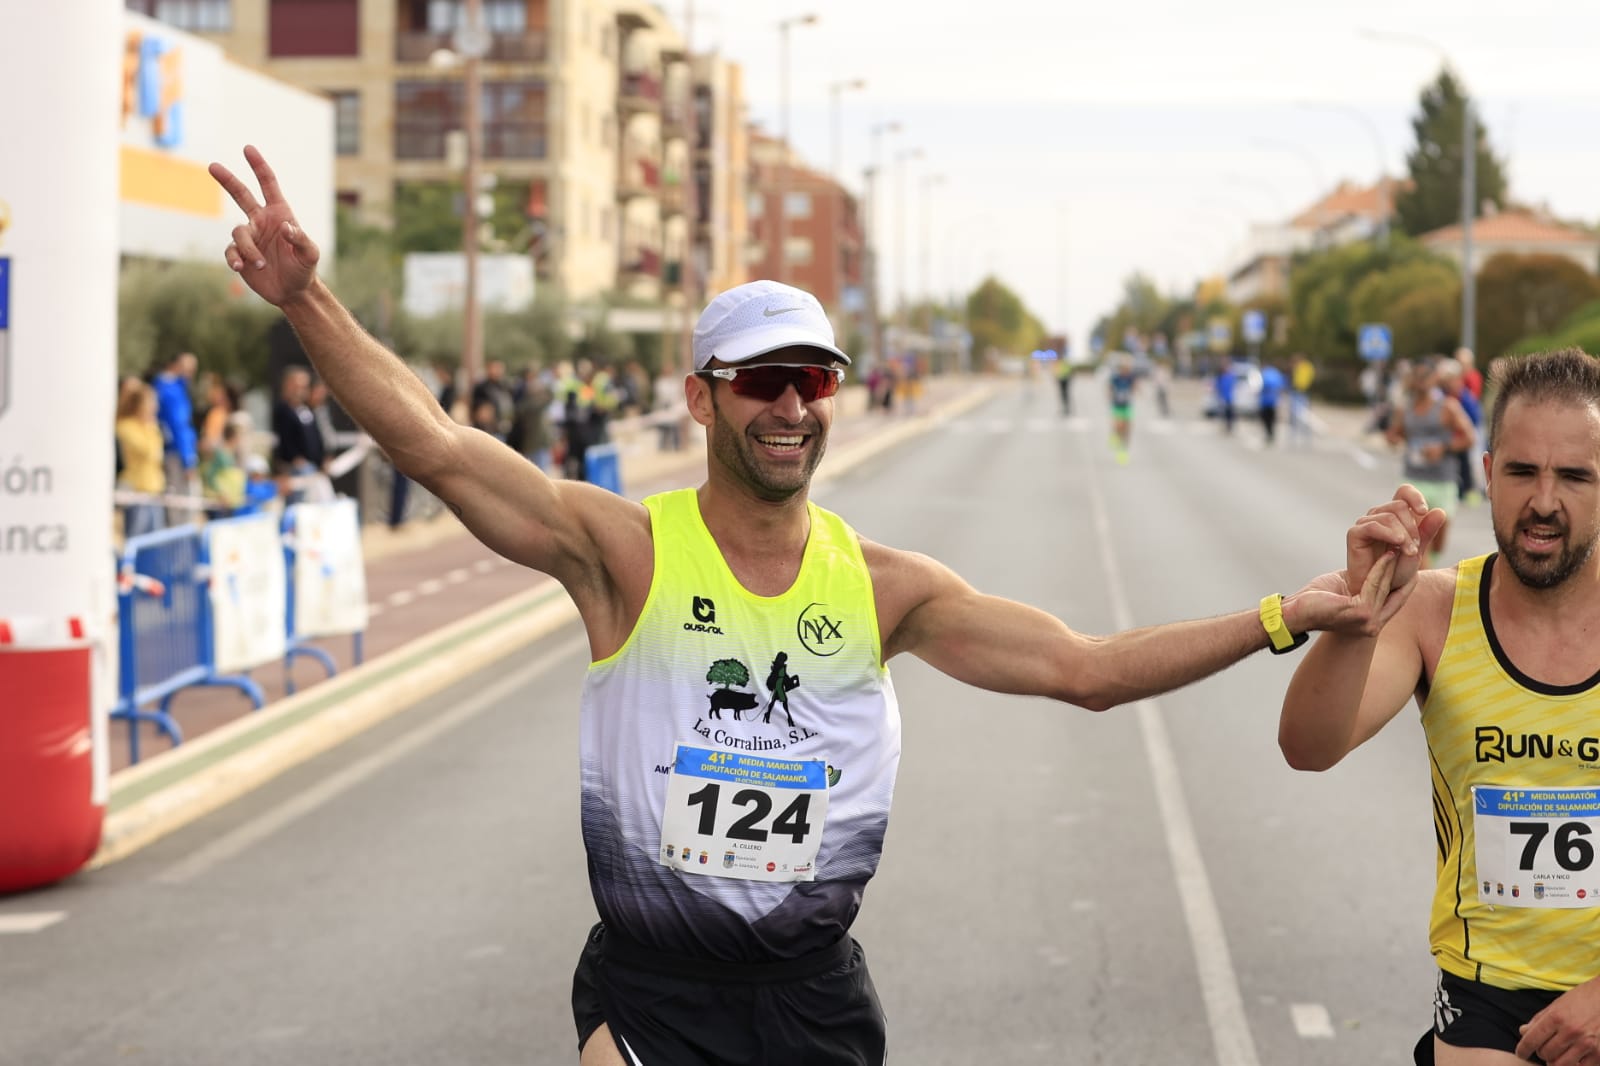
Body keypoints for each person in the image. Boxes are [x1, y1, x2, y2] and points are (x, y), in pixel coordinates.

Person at [210, 145, 1425, 1066]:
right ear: (701, 399)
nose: (794, 406)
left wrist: (1283, 613)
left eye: (816, 380)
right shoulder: (622, 553)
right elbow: (436, 445)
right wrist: (306, 302)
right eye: (763, 382)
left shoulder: (886, 587)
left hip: (812, 998)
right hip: (650, 994)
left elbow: (1087, 666)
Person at [1279, 347, 1600, 1066]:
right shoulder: (1433, 611)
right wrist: (1362, 616)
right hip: (1488, 994)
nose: (1543, 502)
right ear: (1487, 474)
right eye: (1522, 472)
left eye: (1574, 476)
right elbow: (1308, 745)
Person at [1386, 358, 1476, 566]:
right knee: (1417, 540)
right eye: (1417, 376)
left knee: (1438, 545)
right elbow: (1395, 434)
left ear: (1436, 378)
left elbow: (1469, 438)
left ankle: (1426, 571)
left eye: (1425, 375)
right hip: (1414, 480)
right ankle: (1422, 586)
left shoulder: (1447, 407)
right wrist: (1393, 438)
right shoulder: (1404, 409)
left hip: (1443, 481)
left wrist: (1443, 448)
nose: (1421, 381)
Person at [115, 379, 166, 539]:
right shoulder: (125, 426)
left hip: (153, 490)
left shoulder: (148, 426)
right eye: (150, 402)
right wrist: (150, 427)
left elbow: (158, 452)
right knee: (135, 539)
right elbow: (149, 451)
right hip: (136, 491)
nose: (154, 407)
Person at [1108, 354, 1137, 463]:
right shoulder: (1116, 377)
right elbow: (1110, 387)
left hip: (1127, 405)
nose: (1125, 370)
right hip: (1117, 405)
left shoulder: (1131, 377)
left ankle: (1123, 450)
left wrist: (1135, 390)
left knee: (1127, 428)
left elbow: (1134, 386)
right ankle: (1115, 435)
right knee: (1119, 425)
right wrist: (1110, 395)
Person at [1289, 352, 1315, 446]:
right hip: (1297, 391)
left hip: (1302, 392)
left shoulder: (1306, 367)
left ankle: (1305, 435)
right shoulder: (1300, 367)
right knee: (1295, 414)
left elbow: (1307, 379)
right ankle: (1295, 434)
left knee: (1302, 414)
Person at [1258, 360, 1286, 445]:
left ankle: (1269, 434)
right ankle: (1272, 434)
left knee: (1266, 418)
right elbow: (1281, 386)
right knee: (1272, 419)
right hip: (1274, 400)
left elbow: (1262, 385)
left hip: (1266, 400)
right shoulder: (1277, 373)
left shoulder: (1265, 373)